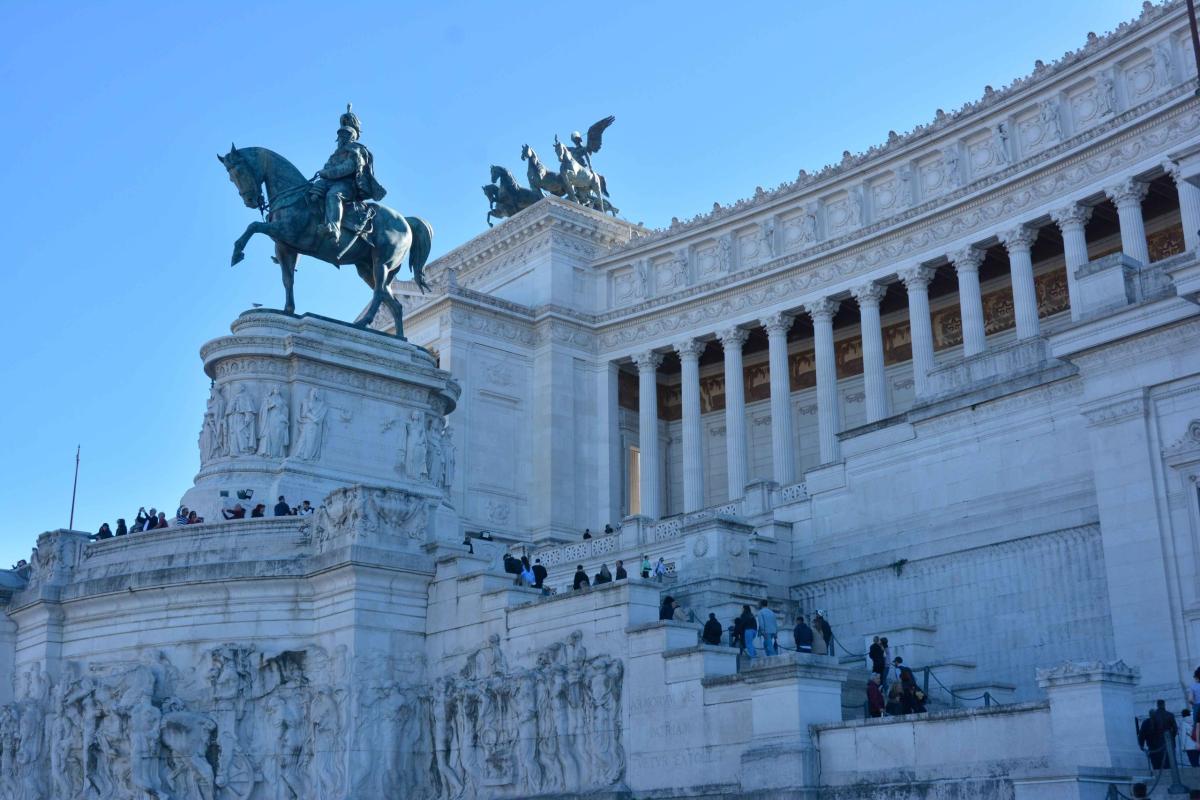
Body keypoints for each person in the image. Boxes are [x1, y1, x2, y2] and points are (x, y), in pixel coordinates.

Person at [308, 104, 386, 242]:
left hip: (348, 185)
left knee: (334, 195)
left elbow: (347, 168)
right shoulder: (336, 153)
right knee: (312, 193)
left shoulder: (355, 150)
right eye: (339, 135)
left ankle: (334, 228)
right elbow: (328, 166)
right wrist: (324, 173)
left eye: (343, 135)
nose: (340, 138)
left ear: (350, 137)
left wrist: (327, 173)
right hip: (330, 182)